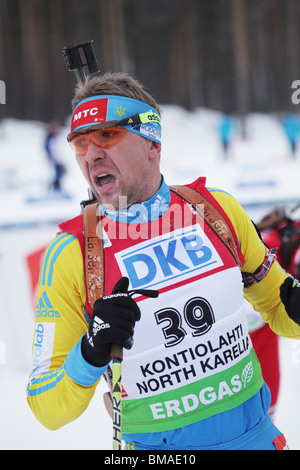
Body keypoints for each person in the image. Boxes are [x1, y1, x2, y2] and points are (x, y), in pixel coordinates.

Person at [27, 72, 300, 450]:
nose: (91, 154)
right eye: (80, 142)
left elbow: (280, 312)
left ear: (152, 143)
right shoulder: (72, 253)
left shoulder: (216, 210)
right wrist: (90, 350)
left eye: (108, 135)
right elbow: (46, 407)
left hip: (257, 438)